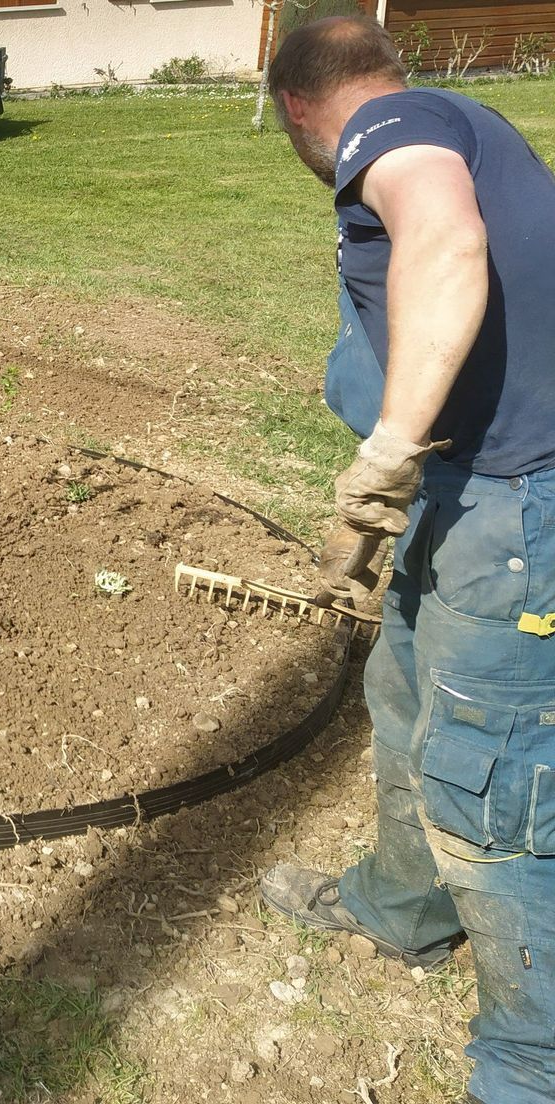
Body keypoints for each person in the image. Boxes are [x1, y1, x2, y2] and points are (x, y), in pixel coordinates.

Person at [255, 16, 555, 1104]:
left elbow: (444, 237)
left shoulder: (392, 131)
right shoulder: (463, 116)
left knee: (495, 790)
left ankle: (529, 1067)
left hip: (521, 516)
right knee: (408, 692)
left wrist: (384, 454)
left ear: (296, 107)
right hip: (470, 486)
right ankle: (402, 911)